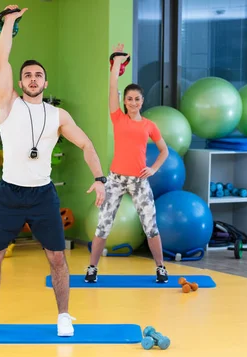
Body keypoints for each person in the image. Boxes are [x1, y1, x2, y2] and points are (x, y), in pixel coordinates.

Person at [0, 5, 106, 338]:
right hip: (9, 193)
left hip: (43, 195)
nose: (33, 79)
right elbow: (1, 60)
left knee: (58, 259)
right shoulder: (8, 103)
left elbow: (87, 145)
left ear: (46, 82)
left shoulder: (58, 116)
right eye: (27, 75)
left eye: (38, 75)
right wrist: (9, 23)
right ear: (20, 81)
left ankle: (64, 316)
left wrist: (100, 178)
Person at [84, 43, 170, 284]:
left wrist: (153, 168)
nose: (132, 102)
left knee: (150, 225)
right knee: (103, 225)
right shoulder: (118, 118)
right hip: (116, 179)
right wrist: (117, 65)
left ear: (142, 101)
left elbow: (164, 151)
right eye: (129, 98)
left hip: (140, 180)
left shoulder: (149, 125)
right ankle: (92, 268)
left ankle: (161, 268)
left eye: (137, 99)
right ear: (125, 102)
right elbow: (113, 89)